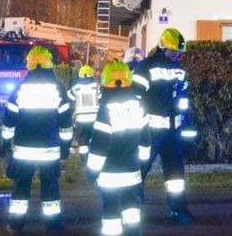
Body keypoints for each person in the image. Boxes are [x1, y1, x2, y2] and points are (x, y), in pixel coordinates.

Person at [1, 46, 73, 233]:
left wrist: (5, 143)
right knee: (50, 188)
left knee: (20, 188)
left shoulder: (19, 89)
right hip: (49, 150)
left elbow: (9, 121)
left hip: (23, 150)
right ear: (50, 64)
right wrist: (65, 148)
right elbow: (66, 124)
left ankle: (15, 225)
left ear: (29, 65)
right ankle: (53, 227)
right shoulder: (58, 89)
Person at [134, 28, 196, 224]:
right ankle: (132, 207)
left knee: (175, 175)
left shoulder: (149, 67)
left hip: (167, 131)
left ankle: (177, 209)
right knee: (142, 169)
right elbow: (136, 97)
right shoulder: (147, 67)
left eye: (179, 52)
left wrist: (185, 125)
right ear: (163, 47)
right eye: (174, 51)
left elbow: (183, 101)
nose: (177, 55)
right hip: (152, 130)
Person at [86, 60, 150, 236]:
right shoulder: (139, 106)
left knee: (111, 208)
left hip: (110, 173)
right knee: (131, 207)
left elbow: (100, 145)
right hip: (132, 170)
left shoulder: (106, 108)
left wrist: (92, 171)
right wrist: (142, 163)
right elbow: (146, 140)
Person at [69, 64, 100, 159]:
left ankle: (84, 161)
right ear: (91, 74)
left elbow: (70, 97)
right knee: (94, 139)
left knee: (82, 142)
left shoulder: (76, 87)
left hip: (81, 119)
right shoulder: (96, 86)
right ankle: (93, 158)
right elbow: (101, 97)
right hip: (94, 118)